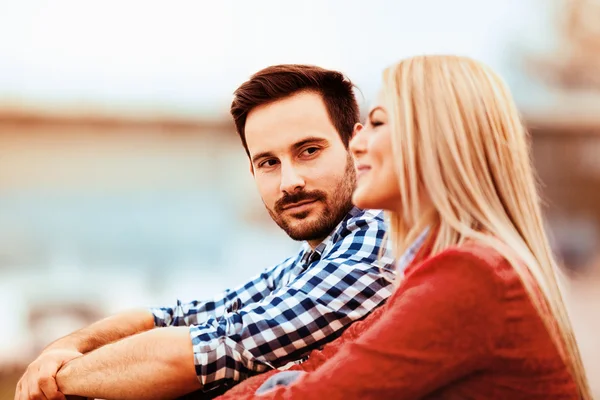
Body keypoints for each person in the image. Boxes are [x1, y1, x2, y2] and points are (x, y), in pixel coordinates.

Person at [14, 65, 425, 400]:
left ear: (355, 145)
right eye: (268, 163)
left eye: (309, 151)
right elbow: (186, 315)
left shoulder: (376, 241)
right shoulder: (318, 256)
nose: (290, 181)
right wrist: (65, 347)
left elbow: (209, 350)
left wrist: (57, 377)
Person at [216, 55, 593, 399]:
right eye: (268, 163)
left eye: (377, 123)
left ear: (437, 140)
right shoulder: (440, 269)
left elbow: (319, 392)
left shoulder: (473, 276)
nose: (356, 143)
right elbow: (323, 364)